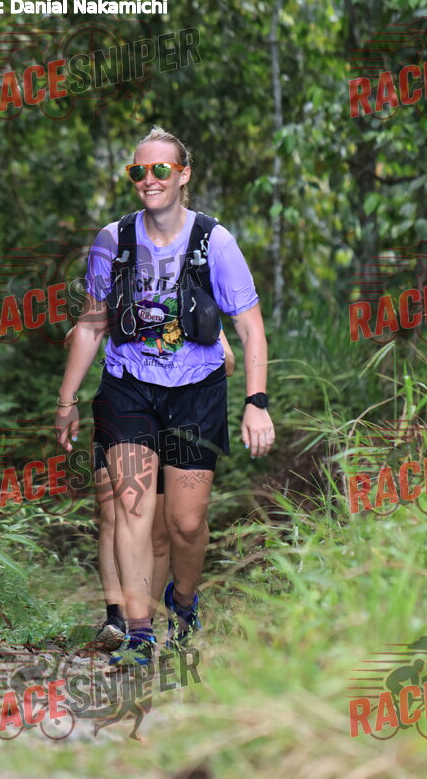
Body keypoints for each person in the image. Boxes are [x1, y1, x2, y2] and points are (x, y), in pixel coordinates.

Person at [56, 126, 274, 664]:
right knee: (132, 508)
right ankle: (138, 633)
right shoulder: (113, 240)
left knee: (185, 524)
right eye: (139, 171)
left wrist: (256, 402)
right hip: (128, 387)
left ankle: (184, 599)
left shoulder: (213, 241)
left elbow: (250, 326)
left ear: (183, 175)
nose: (149, 180)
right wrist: (66, 400)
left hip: (196, 392)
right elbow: (92, 323)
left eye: (160, 170)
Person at [63, 324, 235, 651]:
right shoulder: (115, 298)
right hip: (123, 408)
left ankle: (146, 623)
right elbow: (81, 336)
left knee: (159, 530)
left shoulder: (194, 303)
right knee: (114, 514)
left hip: (178, 412)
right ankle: (117, 618)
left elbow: (227, 361)